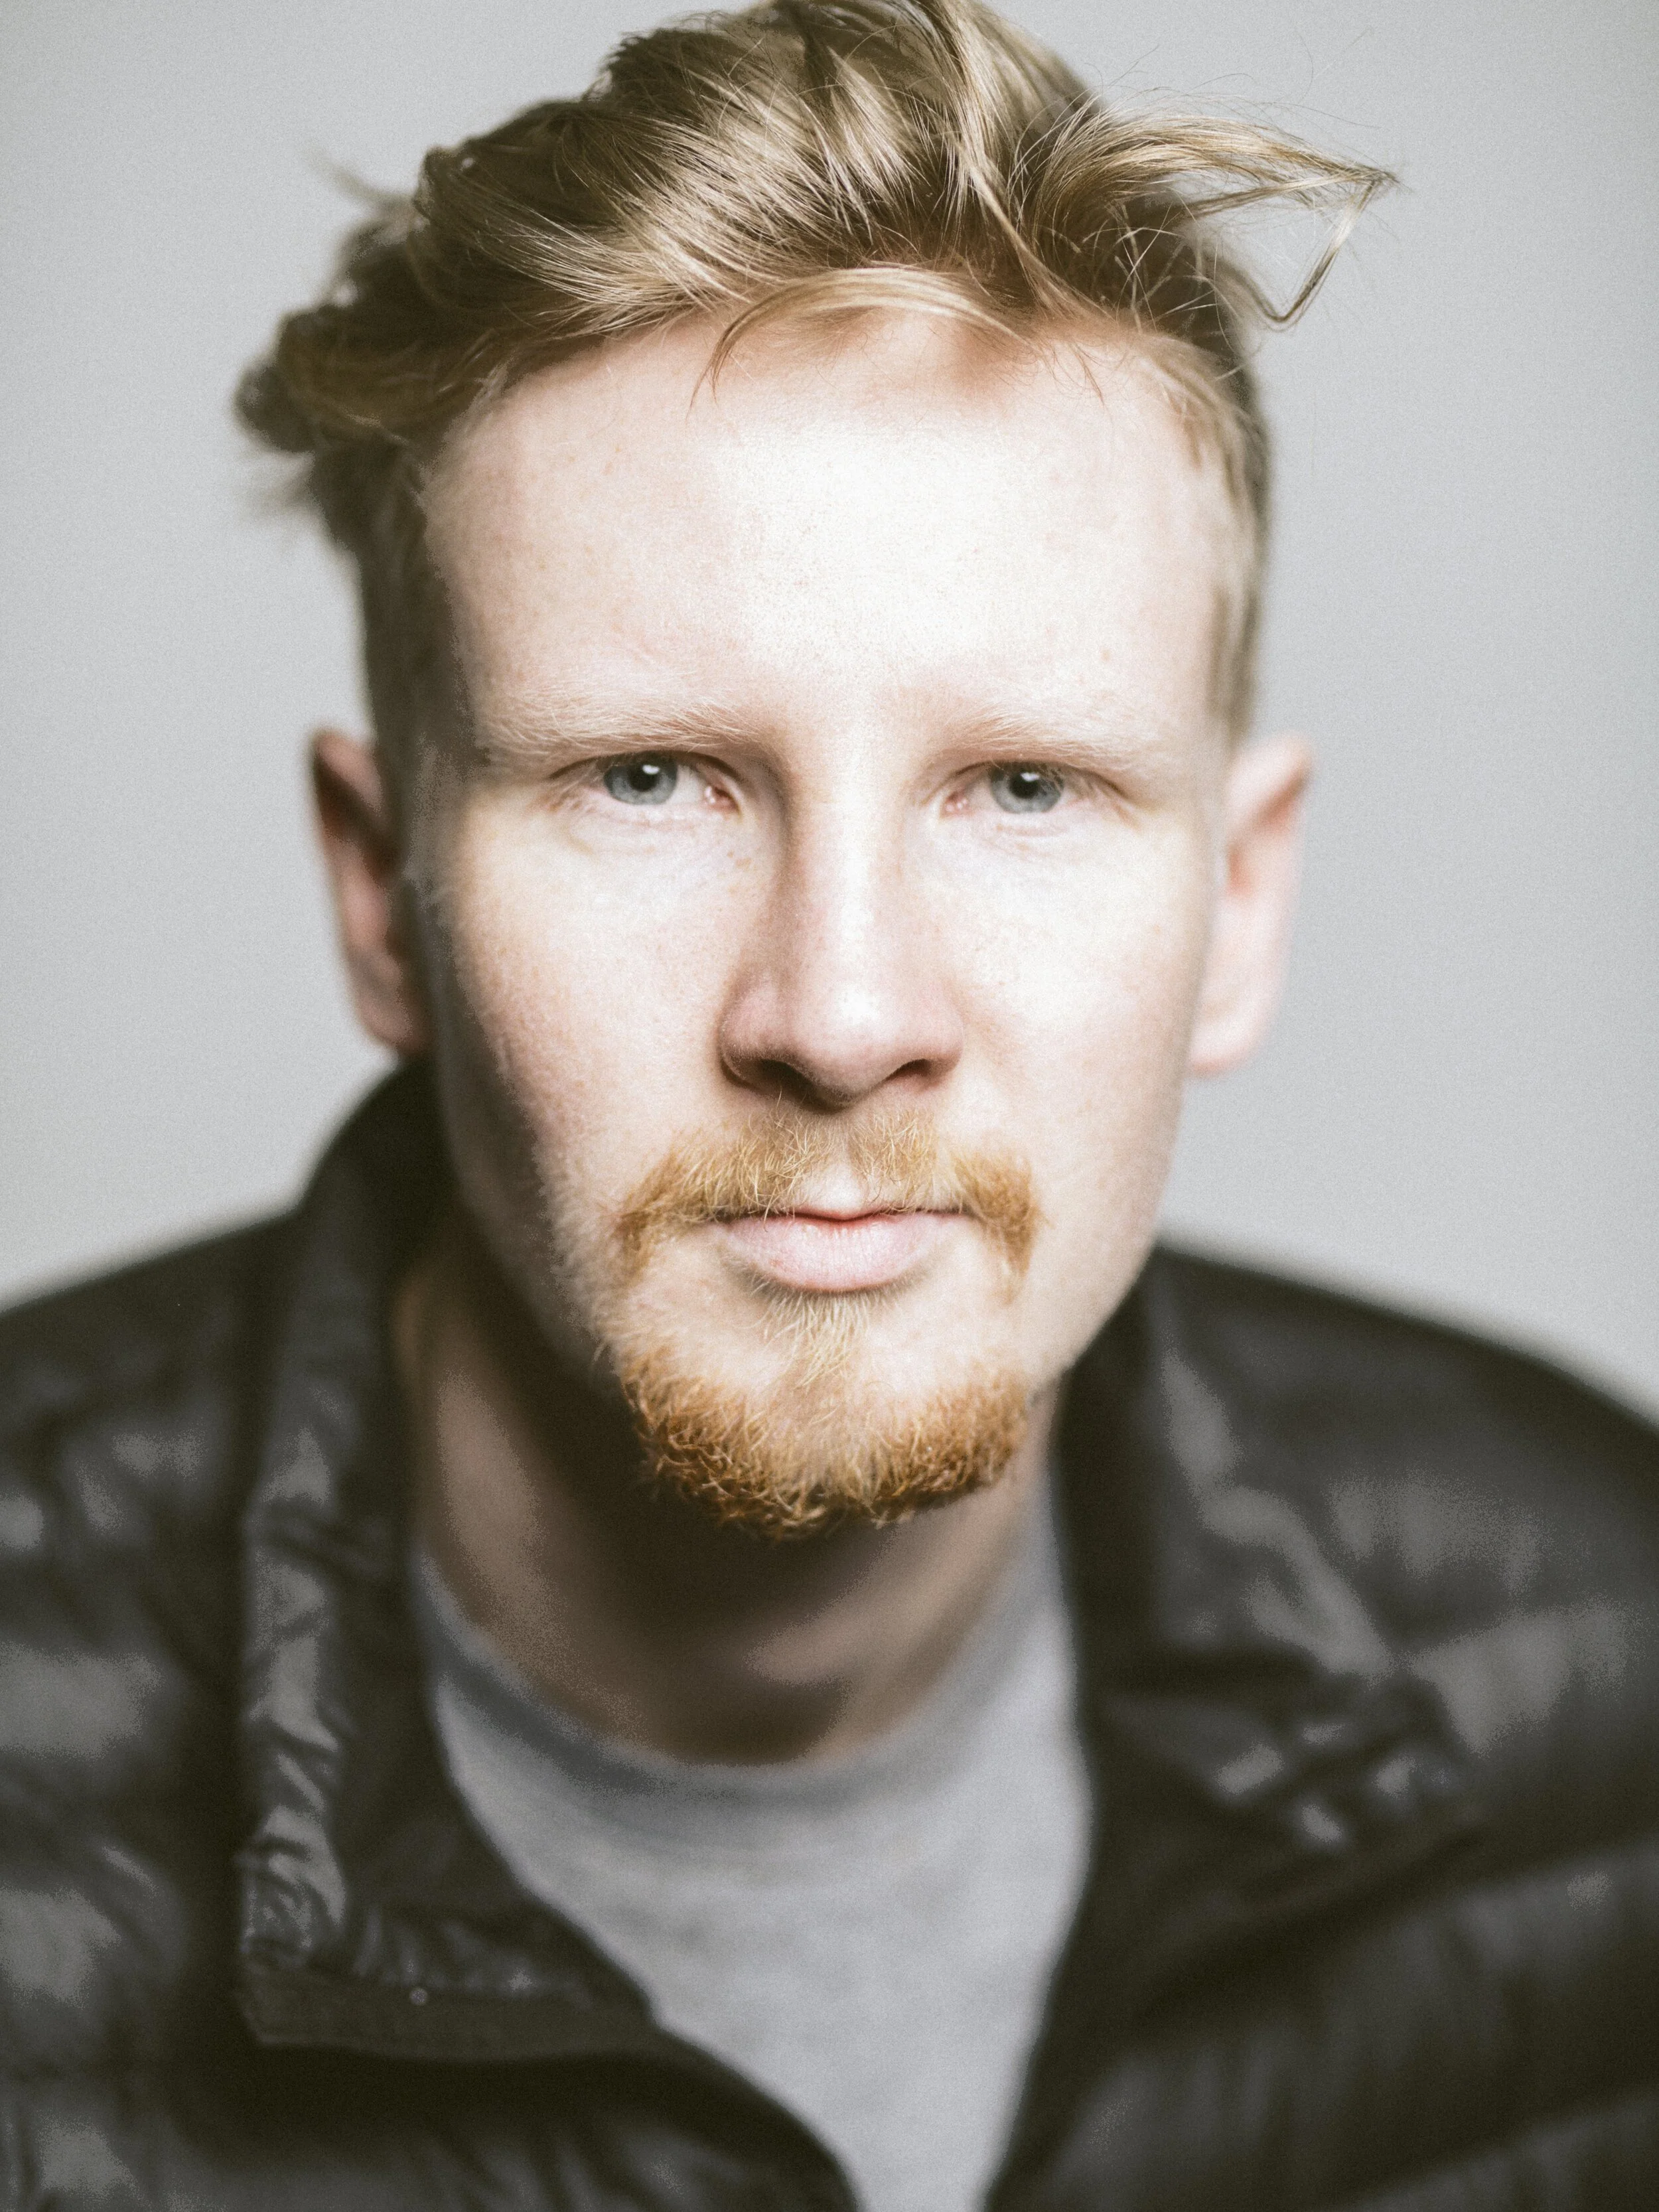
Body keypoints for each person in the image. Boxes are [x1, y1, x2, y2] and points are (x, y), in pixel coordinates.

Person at [1, 1, 1654, 2204]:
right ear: (380, 893)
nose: (842, 1010)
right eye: (649, 777)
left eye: (1024, 788)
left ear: (1238, 904)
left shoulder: (1610, 1659)